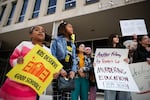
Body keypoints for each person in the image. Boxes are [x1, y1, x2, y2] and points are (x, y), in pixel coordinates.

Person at [0, 25, 54, 100]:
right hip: (11, 85)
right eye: (37, 30)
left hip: (30, 90)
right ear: (31, 35)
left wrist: (55, 73)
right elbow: (12, 59)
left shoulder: (48, 51)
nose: (40, 31)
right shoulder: (24, 44)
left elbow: (49, 68)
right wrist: (17, 61)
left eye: (43, 31)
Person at [50, 21, 76, 100]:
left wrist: (73, 71)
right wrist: (60, 69)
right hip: (58, 73)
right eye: (69, 26)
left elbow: (74, 59)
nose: (72, 28)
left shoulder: (72, 44)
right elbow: (52, 56)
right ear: (63, 28)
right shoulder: (56, 41)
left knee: (67, 98)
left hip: (69, 74)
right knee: (57, 97)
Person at [104, 34, 131, 100]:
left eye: (118, 37)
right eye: (115, 37)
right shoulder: (106, 49)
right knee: (110, 95)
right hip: (110, 76)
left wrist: (128, 60)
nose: (117, 38)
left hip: (121, 75)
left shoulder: (123, 48)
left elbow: (129, 59)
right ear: (111, 38)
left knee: (123, 95)